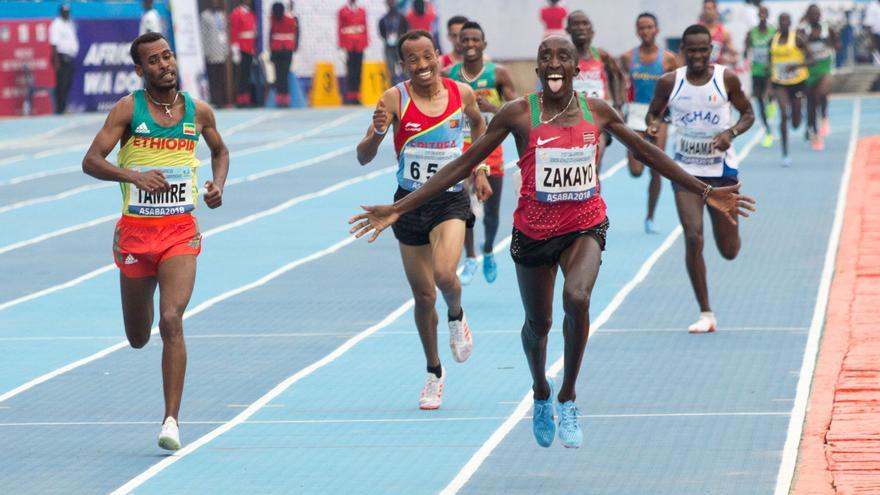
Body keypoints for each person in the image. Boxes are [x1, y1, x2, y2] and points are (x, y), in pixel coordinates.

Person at [350, 35, 755, 449]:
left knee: (577, 298)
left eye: (564, 57)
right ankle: (541, 391)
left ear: (577, 69)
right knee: (538, 326)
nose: (555, 63)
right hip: (534, 232)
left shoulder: (595, 111)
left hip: (584, 226)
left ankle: (569, 395)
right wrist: (400, 208)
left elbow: (651, 154)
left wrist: (707, 192)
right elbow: (460, 166)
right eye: (546, 57)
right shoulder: (518, 115)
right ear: (538, 69)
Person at [81, 33, 229, 451]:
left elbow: (220, 151)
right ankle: (134, 302)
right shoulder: (129, 109)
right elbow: (91, 161)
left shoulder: (198, 111)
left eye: (167, 56)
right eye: (154, 60)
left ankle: (171, 421)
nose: (165, 63)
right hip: (135, 234)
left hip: (179, 231)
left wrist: (217, 185)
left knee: (172, 320)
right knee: (138, 336)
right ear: (140, 70)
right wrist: (134, 176)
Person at [354, 30, 491, 411]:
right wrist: (379, 132)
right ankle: (434, 372)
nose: (422, 65)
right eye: (413, 59)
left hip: (448, 201)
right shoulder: (393, 99)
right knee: (423, 296)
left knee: (446, 275)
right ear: (403, 65)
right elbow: (363, 156)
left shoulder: (460, 94)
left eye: (427, 56)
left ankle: (457, 316)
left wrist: (476, 167)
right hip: (408, 203)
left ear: (439, 56)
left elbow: (479, 127)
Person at [647, 24, 755, 333]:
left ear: (711, 51)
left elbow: (748, 114)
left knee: (729, 251)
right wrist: (653, 129)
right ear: (683, 51)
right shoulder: (670, 82)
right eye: (691, 50)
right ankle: (706, 312)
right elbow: (653, 114)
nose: (697, 55)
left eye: (702, 50)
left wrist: (730, 132)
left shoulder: (726, 80)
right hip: (686, 174)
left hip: (722, 174)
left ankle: (729, 243)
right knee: (693, 236)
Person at [446, 21, 517, 285]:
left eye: (475, 40)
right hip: (459, 150)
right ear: (458, 44)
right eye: (465, 40)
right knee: (462, 202)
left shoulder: (498, 74)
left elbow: (518, 109)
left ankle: (487, 250)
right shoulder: (448, 75)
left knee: (492, 213)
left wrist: (493, 108)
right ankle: (471, 256)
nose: (470, 45)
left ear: (484, 44)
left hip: (491, 149)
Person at [620, 12, 678, 234]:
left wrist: (667, 114)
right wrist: (619, 103)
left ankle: (650, 217)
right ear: (637, 31)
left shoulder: (668, 59)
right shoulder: (628, 58)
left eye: (649, 27)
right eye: (641, 28)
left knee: (657, 168)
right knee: (635, 171)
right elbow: (618, 79)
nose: (645, 31)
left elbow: (674, 89)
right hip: (635, 114)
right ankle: (640, 160)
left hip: (658, 115)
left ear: (657, 30)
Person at [566, 10, 625, 171]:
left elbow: (617, 75)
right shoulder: (565, 56)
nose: (580, 28)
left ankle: (595, 196)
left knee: (593, 166)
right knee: (575, 168)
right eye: (575, 24)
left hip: (598, 117)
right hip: (571, 117)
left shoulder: (600, 55)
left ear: (591, 30)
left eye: (584, 24)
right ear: (568, 30)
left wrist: (618, 104)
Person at [770, 13, 812, 167]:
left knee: (795, 123)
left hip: (797, 82)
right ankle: (785, 153)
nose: (783, 23)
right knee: (783, 113)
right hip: (779, 82)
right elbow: (770, 62)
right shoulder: (773, 40)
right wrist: (769, 85)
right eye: (781, 21)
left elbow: (811, 59)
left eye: (786, 21)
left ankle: (798, 113)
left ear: (790, 23)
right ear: (778, 23)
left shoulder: (798, 38)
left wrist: (797, 66)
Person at [801, 4, 837, 151]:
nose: (815, 17)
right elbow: (798, 47)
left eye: (818, 14)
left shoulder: (827, 28)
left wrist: (828, 41)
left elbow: (836, 43)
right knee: (811, 102)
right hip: (809, 69)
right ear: (808, 16)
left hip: (824, 65)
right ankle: (814, 132)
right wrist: (808, 40)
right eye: (812, 15)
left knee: (821, 92)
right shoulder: (803, 30)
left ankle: (824, 117)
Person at [745, 5, 776, 148]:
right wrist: (745, 55)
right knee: (758, 100)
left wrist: (771, 62)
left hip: (770, 72)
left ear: (767, 15)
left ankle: (771, 103)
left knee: (769, 95)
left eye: (765, 13)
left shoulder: (773, 31)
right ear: (758, 15)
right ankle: (768, 130)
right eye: (760, 13)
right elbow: (746, 48)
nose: (762, 15)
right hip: (757, 71)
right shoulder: (752, 33)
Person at [49, 4, 78, 115]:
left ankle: (64, 106)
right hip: (61, 57)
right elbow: (54, 44)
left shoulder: (68, 23)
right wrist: (56, 61)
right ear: (60, 12)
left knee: (68, 83)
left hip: (69, 57)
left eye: (68, 11)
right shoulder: (57, 25)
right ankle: (60, 108)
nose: (67, 13)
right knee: (61, 83)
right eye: (65, 12)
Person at [338, 0, 368, 105]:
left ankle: (357, 96)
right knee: (350, 71)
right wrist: (341, 45)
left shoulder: (361, 10)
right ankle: (350, 96)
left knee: (358, 71)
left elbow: (365, 28)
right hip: (349, 44)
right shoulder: (342, 11)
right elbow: (340, 28)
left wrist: (365, 43)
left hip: (359, 44)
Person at [200, 0, 230, 108]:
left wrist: (226, 50)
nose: (215, 3)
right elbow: (203, 35)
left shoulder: (221, 15)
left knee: (221, 77)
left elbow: (224, 33)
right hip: (211, 51)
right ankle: (216, 100)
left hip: (221, 51)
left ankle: (223, 100)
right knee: (213, 78)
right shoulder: (205, 16)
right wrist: (205, 52)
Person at [269, 2, 299, 108]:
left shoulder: (273, 18)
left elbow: (271, 34)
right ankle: (285, 99)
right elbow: (296, 32)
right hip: (287, 48)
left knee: (279, 75)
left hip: (277, 48)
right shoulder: (291, 18)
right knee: (284, 75)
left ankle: (280, 98)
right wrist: (295, 47)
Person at [230, 0, 257, 107]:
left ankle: (246, 98)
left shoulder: (251, 13)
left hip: (250, 47)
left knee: (247, 74)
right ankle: (240, 98)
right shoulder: (236, 13)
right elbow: (234, 31)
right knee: (240, 75)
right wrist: (235, 48)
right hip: (241, 47)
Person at [379, 0, 409, 85]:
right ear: (387, 4)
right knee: (391, 71)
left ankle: (410, 89)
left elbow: (405, 29)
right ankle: (393, 92)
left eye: (392, 2)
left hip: (400, 46)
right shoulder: (383, 19)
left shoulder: (401, 17)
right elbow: (381, 32)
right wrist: (387, 36)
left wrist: (399, 35)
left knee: (405, 70)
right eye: (389, 2)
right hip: (388, 47)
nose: (391, 4)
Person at [700, 0, 735, 65]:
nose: (707, 11)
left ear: (716, 11)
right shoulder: (697, 30)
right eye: (705, 8)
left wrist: (729, 59)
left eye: (709, 9)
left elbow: (733, 55)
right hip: (700, 72)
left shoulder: (724, 32)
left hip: (717, 72)